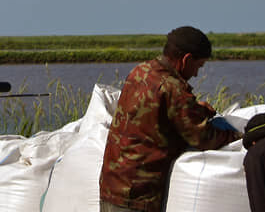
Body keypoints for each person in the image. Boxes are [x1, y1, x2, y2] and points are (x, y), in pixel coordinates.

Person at [99, 25, 241, 212]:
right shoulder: (173, 89)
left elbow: (155, 113)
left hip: (111, 186)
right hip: (138, 195)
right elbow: (203, 138)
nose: (196, 74)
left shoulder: (140, 72)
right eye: (198, 66)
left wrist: (197, 110)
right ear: (186, 59)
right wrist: (237, 135)